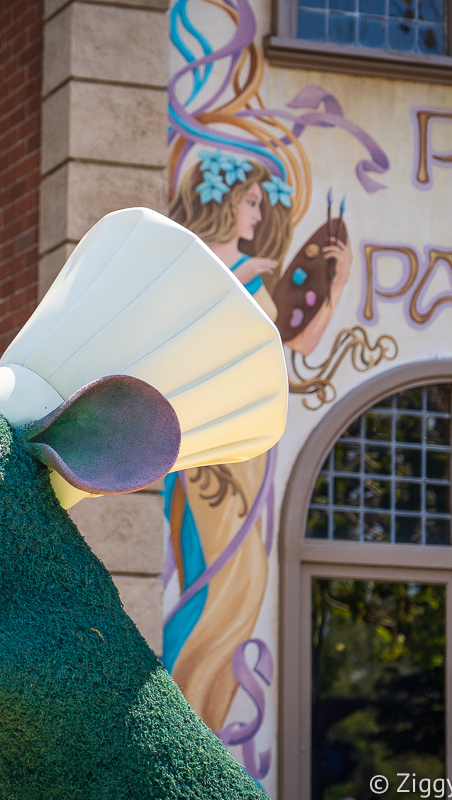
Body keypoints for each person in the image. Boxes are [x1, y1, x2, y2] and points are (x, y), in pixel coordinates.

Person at [161, 150, 353, 736]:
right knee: (208, 571)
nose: (256, 212)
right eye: (249, 200)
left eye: (260, 204)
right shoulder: (188, 265)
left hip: (247, 449)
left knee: (247, 576)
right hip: (202, 446)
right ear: (223, 200)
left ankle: (204, 720)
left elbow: (296, 339)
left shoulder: (257, 268)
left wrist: (335, 282)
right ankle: (181, 711)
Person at [168, 151, 352, 355]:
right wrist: (237, 280)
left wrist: (339, 280)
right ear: (226, 203)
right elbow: (180, 326)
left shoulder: (249, 267)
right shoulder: (188, 260)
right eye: (251, 202)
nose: (259, 215)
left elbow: (300, 344)